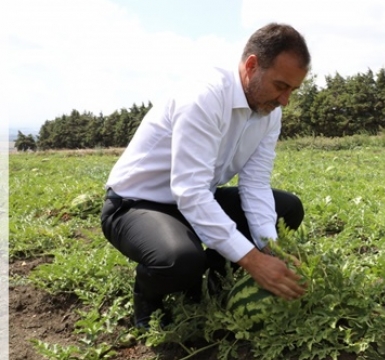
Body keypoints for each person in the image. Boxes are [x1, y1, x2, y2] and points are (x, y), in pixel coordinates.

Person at [100, 23, 311, 328]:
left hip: (193, 201)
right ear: (252, 65)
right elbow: (191, 192)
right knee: (180, 260)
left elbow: (254, 183)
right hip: (137, 205)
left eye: (293, 89)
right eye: (281, 86)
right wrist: (252, 260)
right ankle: (148, 293)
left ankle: (213, 275)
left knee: (287, 208)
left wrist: (269, 249)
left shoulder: (269, 112)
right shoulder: (205, 97)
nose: (285, 101)